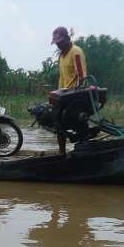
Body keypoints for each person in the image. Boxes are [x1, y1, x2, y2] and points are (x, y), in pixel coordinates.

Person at [51, 26, 87, 154]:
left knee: (77, 122)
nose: (59, 45)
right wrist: (58, 93)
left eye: (60, 42)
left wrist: (73, 92)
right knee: (56, 120)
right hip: (65, 94)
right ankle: (62, 152)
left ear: (67, 39)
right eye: (57, 43)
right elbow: (62, 78)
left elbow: (82, 76)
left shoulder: (75, 52)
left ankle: (84, 148)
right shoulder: (61, 56)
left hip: (76, 95)